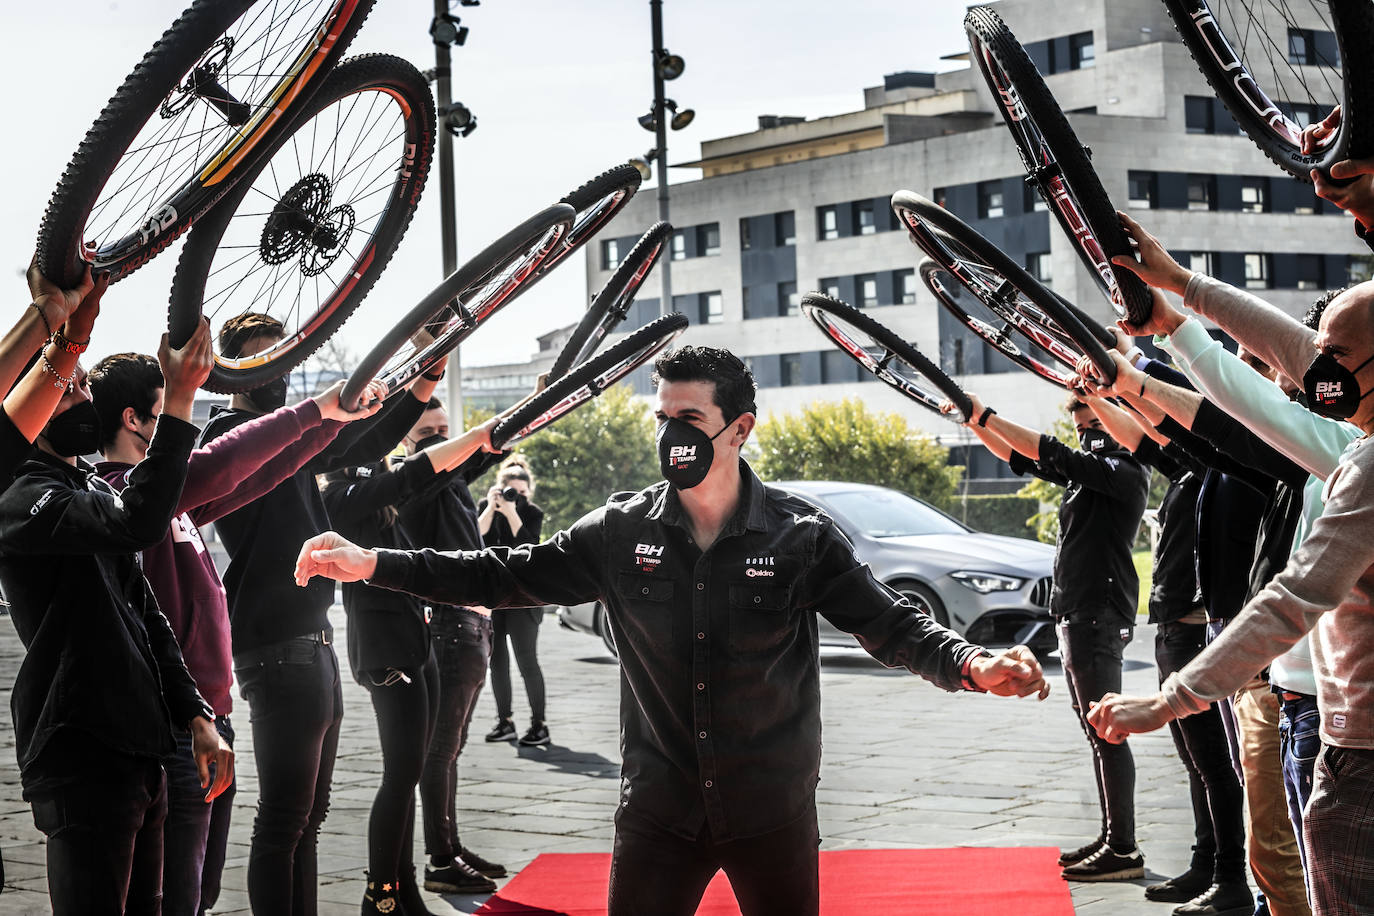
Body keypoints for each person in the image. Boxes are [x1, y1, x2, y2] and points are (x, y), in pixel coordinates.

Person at [296, 345, 1050, 916]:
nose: (671, 437)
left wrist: (972, 663)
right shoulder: (619, 530)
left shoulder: (800, 537)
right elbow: (498, 574)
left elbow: (892, 626)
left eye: (688, 421)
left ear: (739, 428)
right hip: (658, 811)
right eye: (663, 420)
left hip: (772, 811)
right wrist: (373, 564)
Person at [1089, 220, 1374, 914]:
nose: (1314, 374)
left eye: (1334, 359)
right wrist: (1180, 296)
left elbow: (1297, 596)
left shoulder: (1366, 465)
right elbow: (1282, 376)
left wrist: (1169, 699)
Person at [88, 350, 383, 916]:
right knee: (176, 897)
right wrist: (316, 408)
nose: (184, 426)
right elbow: (221, 465)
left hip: (208, 720)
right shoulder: (130, 495)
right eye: (166, 410)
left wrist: (331, 423)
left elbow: (258, 474)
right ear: (133, 420)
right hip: (173, 728)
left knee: (201, 892)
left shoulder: (170, 501)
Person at [198, 313, 440, 916]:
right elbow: (329, 434)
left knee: (308, 820)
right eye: (263, 361)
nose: (277, 372)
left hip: (312, 642)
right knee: (283, 821)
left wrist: (420, 388)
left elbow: (361, 439)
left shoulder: (290, 443)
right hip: (277, 647)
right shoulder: (232, 434)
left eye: (283, 357)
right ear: (234, 375)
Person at [0, 310, 234, 915]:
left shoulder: (87, 486)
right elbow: (139, 522)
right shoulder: (22, 495)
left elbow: (146, 612)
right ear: (31, 398)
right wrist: (179, 399)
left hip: (141, 746)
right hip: (81, 748)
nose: (85, 396)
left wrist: (195, 714)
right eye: (71, 386)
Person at [958, 389, 1149, 881]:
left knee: (1108, 729)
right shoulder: (1090, 470)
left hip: (1098, 614)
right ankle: (1114, 837)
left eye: (1095, 425)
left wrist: (988, 414)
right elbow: (1022, 457)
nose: (1088, 436)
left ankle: (1124, 847)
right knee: (1096, 729)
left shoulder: (1125, 470)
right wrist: (975, 423)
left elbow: (1049, 453)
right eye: (1082, 426)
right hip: (1076, 614)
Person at [322, 407, 501, 915]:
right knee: (401, 776)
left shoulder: (384, 501)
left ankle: (404, 894)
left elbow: (417, 477)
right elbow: (411, 474)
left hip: (412, 642)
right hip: (384, 648)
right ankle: (378, 898)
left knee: (410, 771)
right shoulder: (340, 497)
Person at [397, 397, 508, 894]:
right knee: (441, 748)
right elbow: (472, 455)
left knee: (453, 746)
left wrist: (538, 404)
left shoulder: (453, 478)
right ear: (406, 441)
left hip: (472, 624)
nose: (441, 439)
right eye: (428, 434)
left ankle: (451, 845)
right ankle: (440, 859)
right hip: (448, 624)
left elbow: (486, 451)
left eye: (447, 429)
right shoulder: (415, 478)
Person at [480, 455, 549, 747]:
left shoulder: (532, 513)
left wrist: (511, 512)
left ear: (528, 492)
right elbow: (474, 537)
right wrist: (491, 506)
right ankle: (504, 721)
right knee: (497, 662)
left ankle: (539, 724)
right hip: (494, 596)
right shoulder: (487, 509)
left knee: (527, 661)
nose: (516, 497)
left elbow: (530, 546)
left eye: (521, 493)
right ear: (499, 488)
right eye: (511, 491)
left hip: (524, 597)